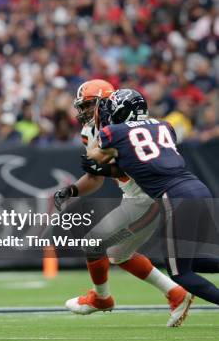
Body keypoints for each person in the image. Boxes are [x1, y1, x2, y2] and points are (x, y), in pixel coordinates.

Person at [54, 80, 191, 327]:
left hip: (147, 197)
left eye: (87, 105)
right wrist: (72, 189)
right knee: (119, 254)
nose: (83, 112)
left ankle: (101, 298)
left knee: (94, 243)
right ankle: (176, 293)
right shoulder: (91, 132)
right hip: (134, 197)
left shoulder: (127, 127)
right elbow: (95, 177)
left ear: (104, 103)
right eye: (82, 106)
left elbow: (125, 168)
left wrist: (106, 168)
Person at [88, 88, 219, 305]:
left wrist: (97, 134)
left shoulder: (114, 132)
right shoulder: (164, 125)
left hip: (176, 196)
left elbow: (94, 154)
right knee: (191, 261)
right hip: (198, 188)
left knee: (180, 274)